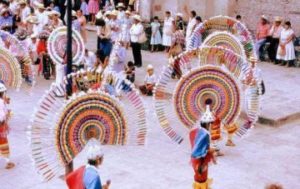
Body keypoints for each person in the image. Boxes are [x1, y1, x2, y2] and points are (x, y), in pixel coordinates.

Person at [189, 112, 216, 189]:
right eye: (210, 124)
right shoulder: (205, 135)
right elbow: (204, 152)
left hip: (194, 159)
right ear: (208, 125)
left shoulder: (194, 131)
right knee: (202, 178)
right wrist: (212, 151)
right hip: (201, 160)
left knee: (199, 177)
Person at [0, 82, 15, 169]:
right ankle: (8, 162)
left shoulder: (2, 101)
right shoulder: (1, 102)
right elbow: (2, 116)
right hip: (0, 126)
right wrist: (8, 114)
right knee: (3, 144)